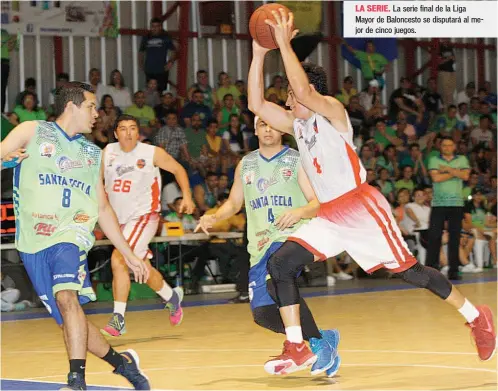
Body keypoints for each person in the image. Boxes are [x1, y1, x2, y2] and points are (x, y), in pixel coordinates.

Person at [248, 8, 496, 375]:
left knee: (411, 272)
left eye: (291, 97)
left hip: (361, 207)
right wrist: (257, 54)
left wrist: (284, 44)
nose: (287, 103)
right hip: (329, 214)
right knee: (281, 264)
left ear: (310, 93)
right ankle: (297, 346)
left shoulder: (332, 112)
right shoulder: (298, 125)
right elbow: (256, 105)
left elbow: (301, 89)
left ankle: (477, 317)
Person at [0, 83, 151, 389]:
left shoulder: (92, 153)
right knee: (70, 320)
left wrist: (130, 253)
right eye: (91, 107)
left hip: (71, 234)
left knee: (67, 297)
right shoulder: (31, 131)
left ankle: (75, 381)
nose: (97, 114)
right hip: (33, 241)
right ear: (71, 107)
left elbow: (103, 208)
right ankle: (122, 364)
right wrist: (4, 160)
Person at [195, 117, 341, 377]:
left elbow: (316, 203)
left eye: (273, 125)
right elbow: (233, 203)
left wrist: (299, 212)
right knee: (262, 314)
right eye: (263, 125)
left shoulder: (296, 159)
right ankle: (322, 338)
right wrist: (213, 216)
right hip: (259, 245)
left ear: (282, 129)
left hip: (290, 237)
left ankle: (300, 346)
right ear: (255, 129)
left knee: (278, 277)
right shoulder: (246, 164)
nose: (268, 129)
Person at [101, 114, 195, 337]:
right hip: (118, 220)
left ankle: (118, 318)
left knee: (119, 258)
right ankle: (170, 296)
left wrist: (188, 197)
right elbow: (98, 182)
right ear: (116, 133)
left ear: (138, 132)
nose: (128, 132)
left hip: (144, 216)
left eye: (133, 128)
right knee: (140, 266)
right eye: (123, 128)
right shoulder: (107, 152)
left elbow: (179, 170)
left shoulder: (150, 152)